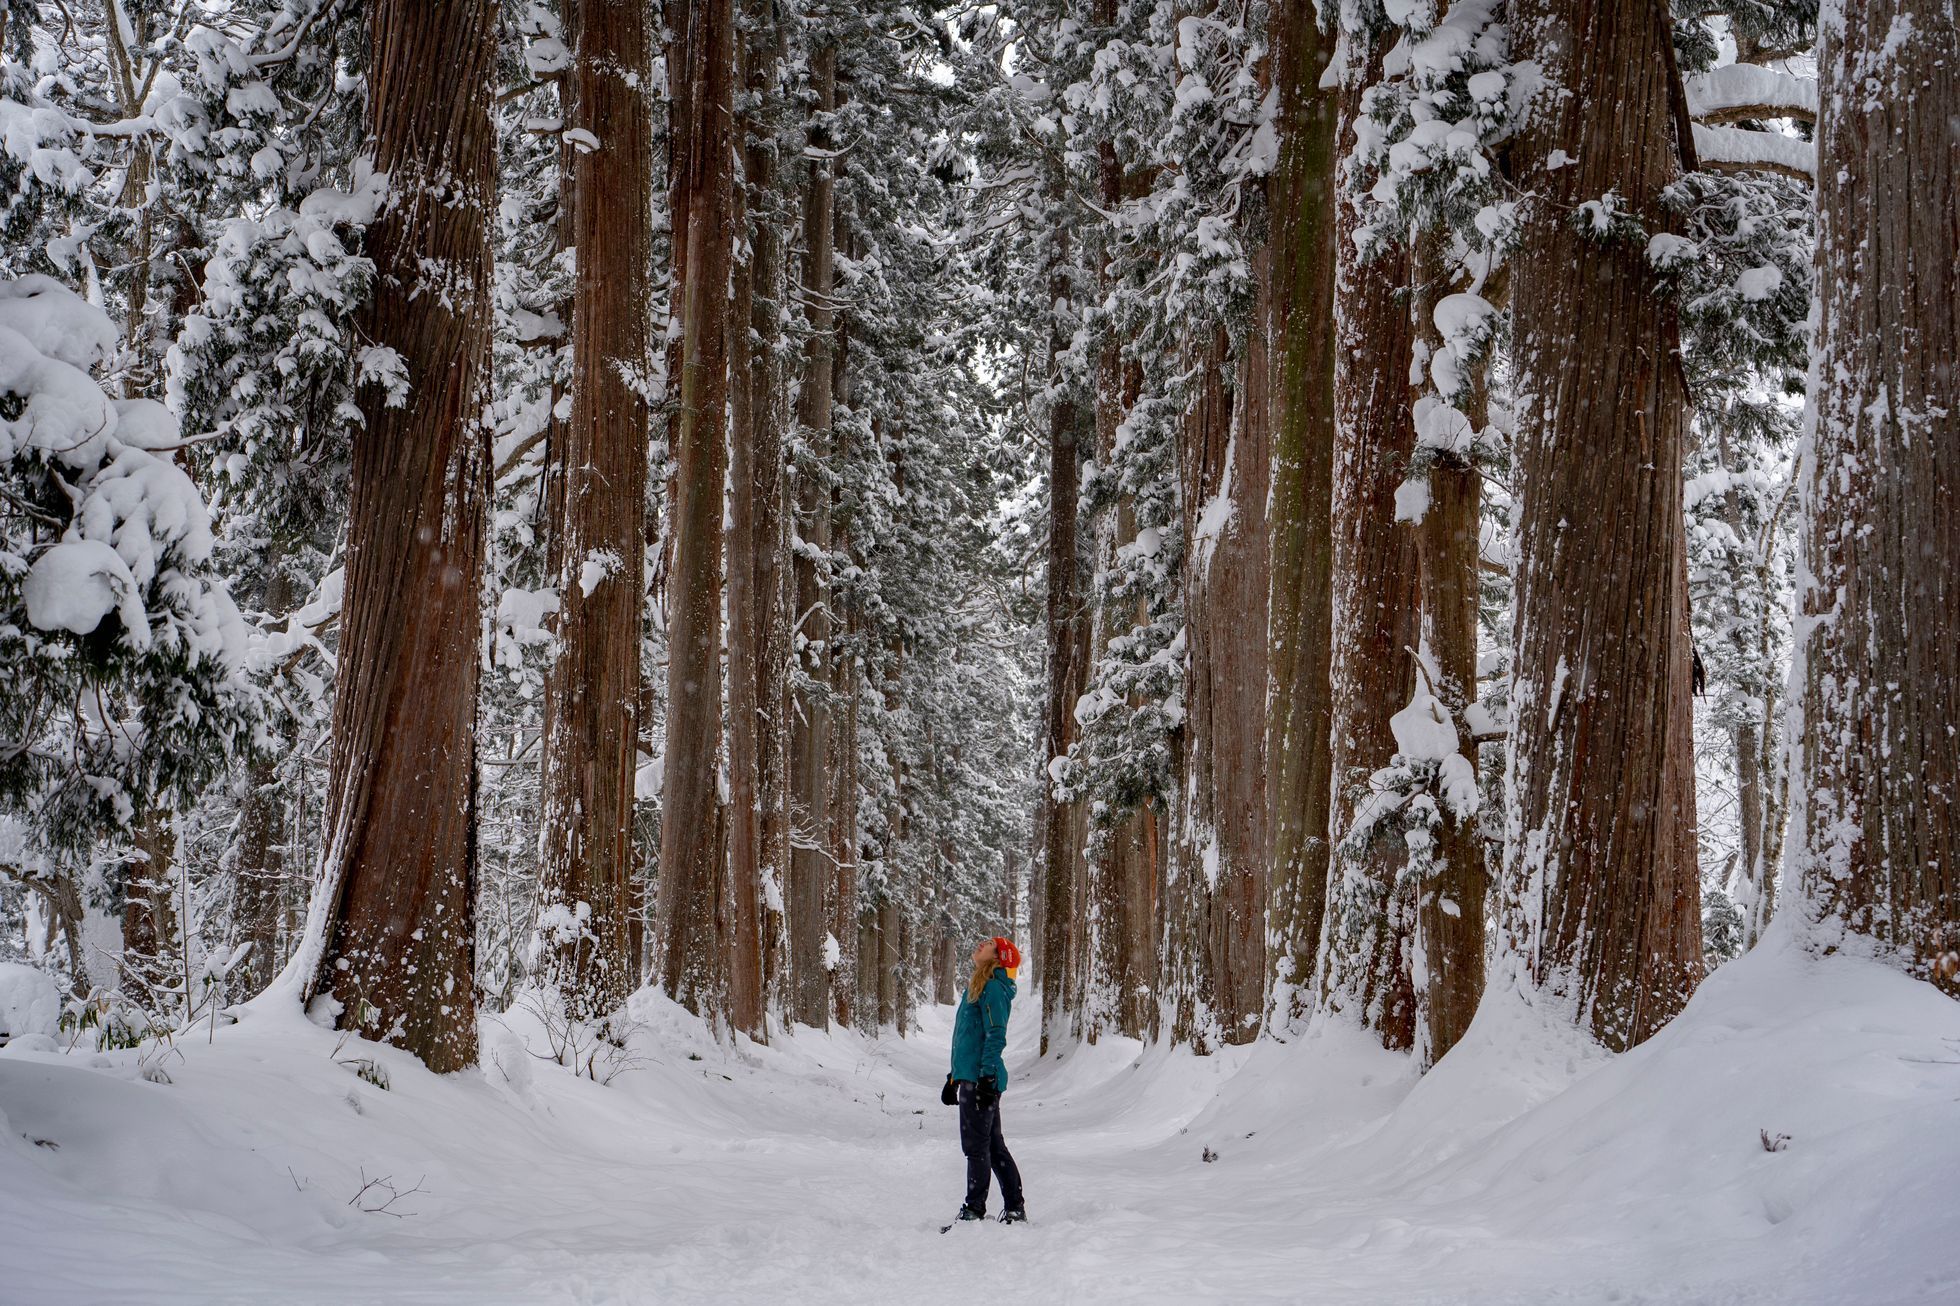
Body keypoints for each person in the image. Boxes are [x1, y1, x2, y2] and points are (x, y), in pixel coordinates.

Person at [942, 935, 1026, 1225]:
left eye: (989, 943)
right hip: (972, 1076)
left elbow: (995, 1034)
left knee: (976, 1147)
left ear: (998, 956)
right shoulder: (978, 987)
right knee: (992, 1145)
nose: (981, 943)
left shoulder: (992, 989)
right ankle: (1014, 1207)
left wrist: (986, 1077)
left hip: (981, 1078)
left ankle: (974, 1210)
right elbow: (967, 1039)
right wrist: (955, 1077)